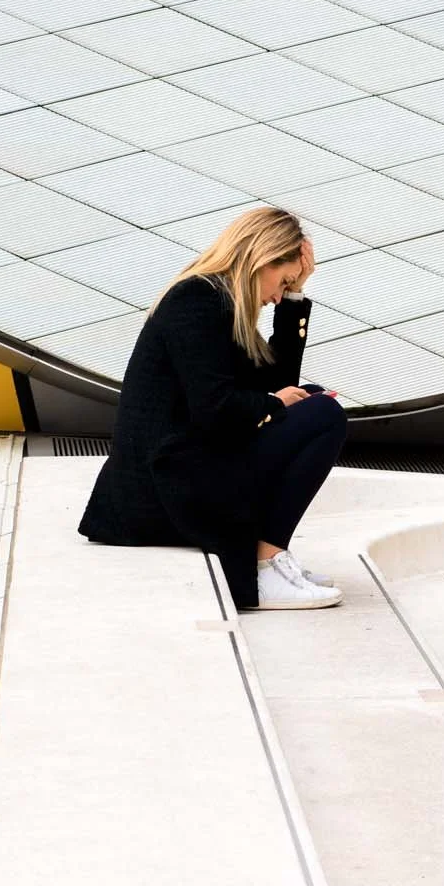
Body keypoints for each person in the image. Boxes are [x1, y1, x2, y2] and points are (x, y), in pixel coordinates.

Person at [78, 206, 348, 611]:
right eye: (283, 281)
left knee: (310, 399)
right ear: (261, 258)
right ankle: (265, 563)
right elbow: (214, 408)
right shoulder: (197, 301)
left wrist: (295, 298)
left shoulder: (215, 298)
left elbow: (277, 383)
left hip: (186, 466)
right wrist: (276, 403)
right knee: (323, 417)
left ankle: (269, 560)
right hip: (163, 490)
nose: (277, 295)